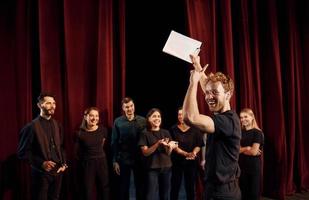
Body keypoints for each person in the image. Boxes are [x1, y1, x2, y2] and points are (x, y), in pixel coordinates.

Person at [182, 54, 241, 200]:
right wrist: (198, 67)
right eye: (207, 93)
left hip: (223, 194)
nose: (208, 96)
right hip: (217, 189)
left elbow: (190, 117)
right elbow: (209, 89)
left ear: (228, 95)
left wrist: (192, 83)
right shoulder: (224, 116)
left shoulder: (227, 121)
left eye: (215, 92)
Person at [17, 92, 67, 200]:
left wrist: (64, 163)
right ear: (39, 105)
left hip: (58, 172)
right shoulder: (31, 127)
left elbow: (61, 147)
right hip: (41, 174)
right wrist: (42, 163)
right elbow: (22, 153)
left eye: (54, 103)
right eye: (48, 103)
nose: (53, 106)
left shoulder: (57, 125)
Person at [138, 108, 178, 200]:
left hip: (166, 167)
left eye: (159, 116)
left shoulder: (166, 132)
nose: (157, 118)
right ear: (149, 119)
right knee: (151, 196)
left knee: (165, 196)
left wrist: (169, 147)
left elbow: (168, 153)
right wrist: (157, 144)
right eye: (154, 116)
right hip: (152, 169)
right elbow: (145, 153)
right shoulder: (144, 134)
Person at [111, 97, 146, 200]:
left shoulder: (143, 120)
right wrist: (115, 161)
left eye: (131, 106)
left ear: (134, 106)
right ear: (123, 108)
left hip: (139, 159)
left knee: (140, 187)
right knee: (124, 187)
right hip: (123, 159)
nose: (130, 109)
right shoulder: (118, 121)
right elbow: (114, 142)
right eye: (127, 107)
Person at [75, 107, 110, 200]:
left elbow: (101, 145)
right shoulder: (80, 133)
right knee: (87, 190)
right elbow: (78, 152)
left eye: (96, 116)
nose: (94, 118)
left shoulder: (103, 130)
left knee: (104, 188)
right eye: (91, 116)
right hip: (87, 163)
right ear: (86, 117)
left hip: (102, 162)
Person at [170, 107, 205, 200]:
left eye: (183, 114)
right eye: (179, 114)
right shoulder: (173, 129)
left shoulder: (195, 129)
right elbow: (174, 146)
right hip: (177, 162)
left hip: (191, 163)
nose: (181, 116)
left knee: (190, 187)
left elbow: (199, 144)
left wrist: (193, 152)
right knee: (175, 186)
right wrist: (186, 154)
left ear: (187, 116)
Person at [239, 108, 264, 200]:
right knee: (243, 193)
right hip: (241, 166)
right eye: (241, 117)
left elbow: (254, 152)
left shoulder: (257, 133)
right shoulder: (240, 132)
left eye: (246, 117)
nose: (243, 119)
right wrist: (247, 148)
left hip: (253, 167)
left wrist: (242, 150)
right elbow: (235, 150)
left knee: (253, 194)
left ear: (252, 117)